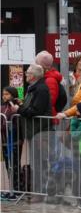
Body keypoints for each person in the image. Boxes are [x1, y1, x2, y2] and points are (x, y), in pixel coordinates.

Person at [18, 64, 52, 197]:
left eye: (27, 73)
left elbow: (35, 110)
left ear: (33, 76)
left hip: (40, 131)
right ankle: (38, 191)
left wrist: (19, 110)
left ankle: (41, 191)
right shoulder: (33, 88)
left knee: (40, 162)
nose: (26, 75)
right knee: (36, 162)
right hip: (34, 131)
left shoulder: (41, 89)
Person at [1, 86, 21, 197]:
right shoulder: (2, 107)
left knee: (14, 165)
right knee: (8, 165)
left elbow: (14, 122)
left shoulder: (15, 107)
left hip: (14, 141)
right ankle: (11, 189)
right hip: (4, 140)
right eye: (3, 94)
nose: (4, 96)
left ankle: (17, 190)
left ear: (13, 95)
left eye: (7, 94)